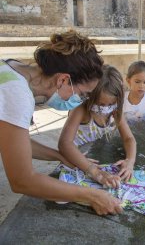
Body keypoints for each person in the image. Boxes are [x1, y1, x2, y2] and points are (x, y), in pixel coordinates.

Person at [0, 30, 122, 215]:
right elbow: (22, 180)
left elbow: (12, 142)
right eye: (82, 94)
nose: (81, 100)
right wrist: (92, 195)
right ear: (63, 79)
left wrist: (60, 156)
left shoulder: (11, 66)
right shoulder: (18, 95)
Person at [59, 65, 137, 188]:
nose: (106, 108)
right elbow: (64, 144)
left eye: (111, 103)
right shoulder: (81, 109)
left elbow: (129, 139)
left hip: (94, 155)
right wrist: (90, 169)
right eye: (100, 104)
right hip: (75, 158)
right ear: (90, 96)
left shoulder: (115, 111)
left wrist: (130, 161)